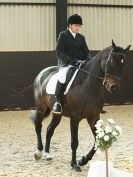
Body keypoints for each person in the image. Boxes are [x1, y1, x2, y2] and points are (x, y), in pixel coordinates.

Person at [52, 14, 91, 114]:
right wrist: (73, 61)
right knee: (62, 77)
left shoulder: (81, 38)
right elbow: (59, 52)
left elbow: (86, 52)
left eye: (79, 26)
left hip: (80, 64)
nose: (78, 28)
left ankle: (91, 102)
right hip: (65, 64)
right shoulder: (63, 35)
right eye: (76, 25)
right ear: (70, 25)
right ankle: (57, 102)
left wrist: (89, 59)